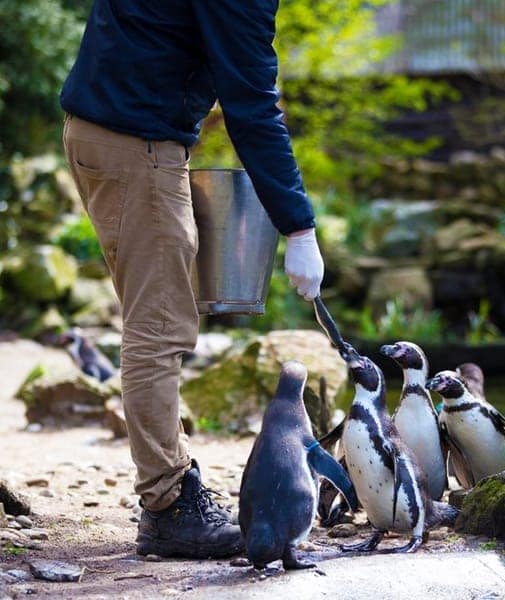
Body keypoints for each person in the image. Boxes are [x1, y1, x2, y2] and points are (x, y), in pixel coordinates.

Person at [60, 0, 324, 559]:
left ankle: (171, 482)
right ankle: (169, 506)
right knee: (159, 328)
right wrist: (298, 227)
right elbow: (252, 105)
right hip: (137, 145)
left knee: (153, 319)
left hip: (101, 129)